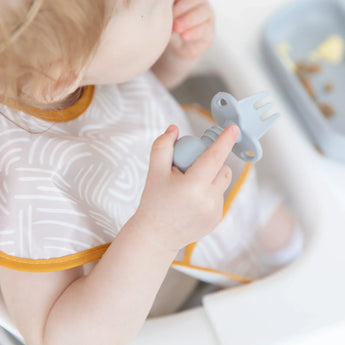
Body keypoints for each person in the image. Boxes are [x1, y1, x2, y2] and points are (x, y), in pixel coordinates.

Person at [0, 1, 303, 344]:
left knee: (289, 234)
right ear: (63, 78)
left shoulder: (55, 62)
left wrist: (175, 56)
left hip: (195, 189)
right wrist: (156, 234)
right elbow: (61, 337)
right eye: (149, 6)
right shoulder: (22, 183)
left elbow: (132, 91)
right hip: (149, 288)